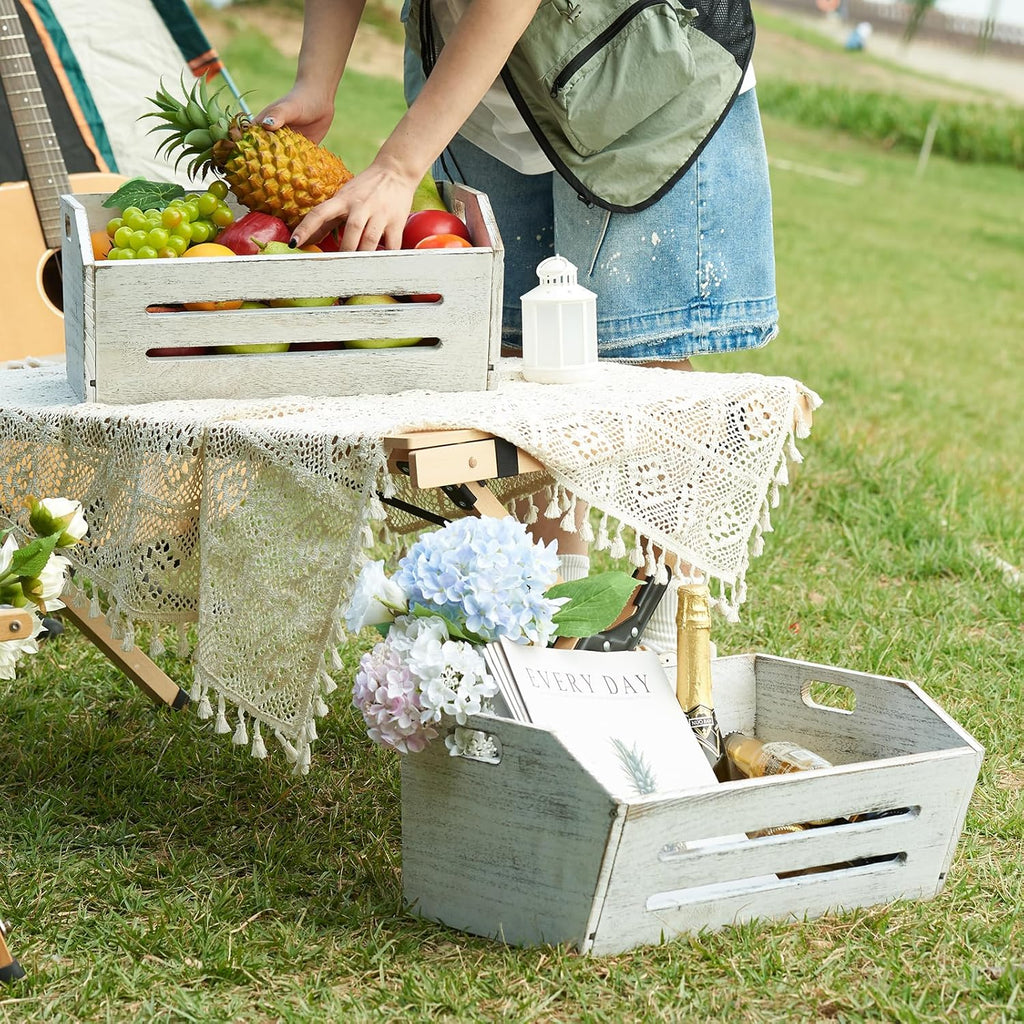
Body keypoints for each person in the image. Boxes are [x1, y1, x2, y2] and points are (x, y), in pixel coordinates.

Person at [257, 0, 779, 656]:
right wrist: (317, 80)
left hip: (638, 73)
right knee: (517, 366)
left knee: (645, 366)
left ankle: (677, 656)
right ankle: (550, 637)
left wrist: (398, 165)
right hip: (485, 92)